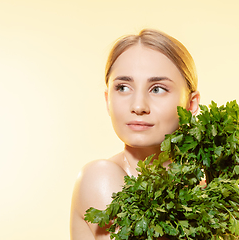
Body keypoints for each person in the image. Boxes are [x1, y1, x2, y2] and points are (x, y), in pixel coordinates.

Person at [70, 29, 201, 240]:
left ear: (191, 104)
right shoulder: (100, 177)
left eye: (157, 89)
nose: (138, 106)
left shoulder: (205, 188)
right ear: (107, 100)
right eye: (122, 87)